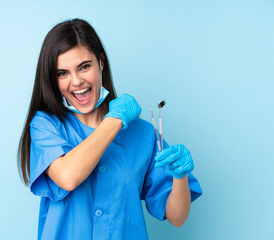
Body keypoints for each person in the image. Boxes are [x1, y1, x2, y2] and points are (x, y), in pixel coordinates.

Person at [17, 18, 202, 240]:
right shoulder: (46, 126)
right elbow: (67, 177)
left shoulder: (142, 134)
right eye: (62, 73)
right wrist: (115, 120)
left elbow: (177, 217)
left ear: (101, 63)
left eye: (84, 67)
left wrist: (179, 177)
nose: (76, 81)